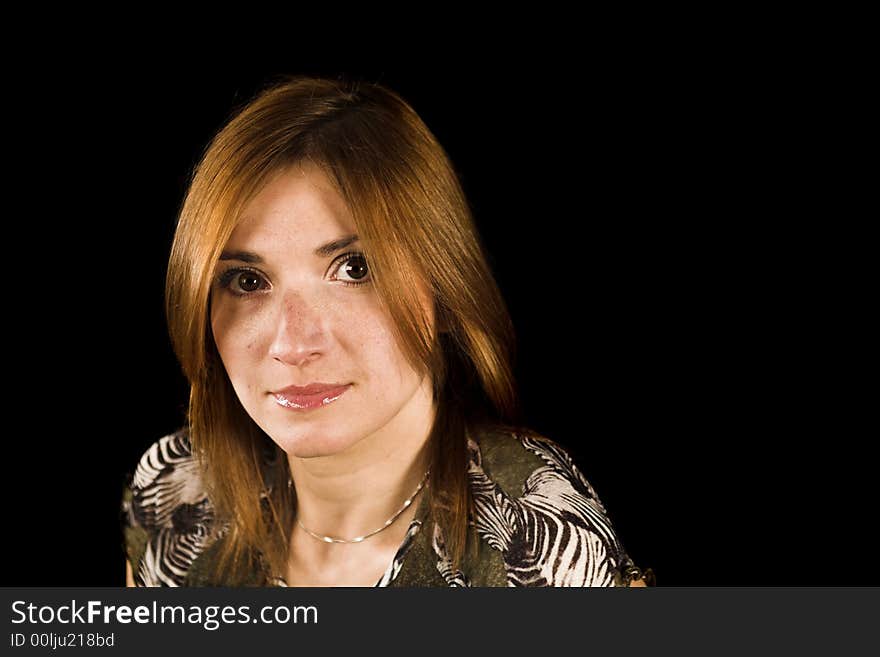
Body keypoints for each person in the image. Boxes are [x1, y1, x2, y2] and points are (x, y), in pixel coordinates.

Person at [119, 74, 655, 588]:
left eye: (356, 269)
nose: (293, 344)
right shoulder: (176, 495)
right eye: (247, 280)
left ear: (444, 288)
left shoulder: (532, 539)